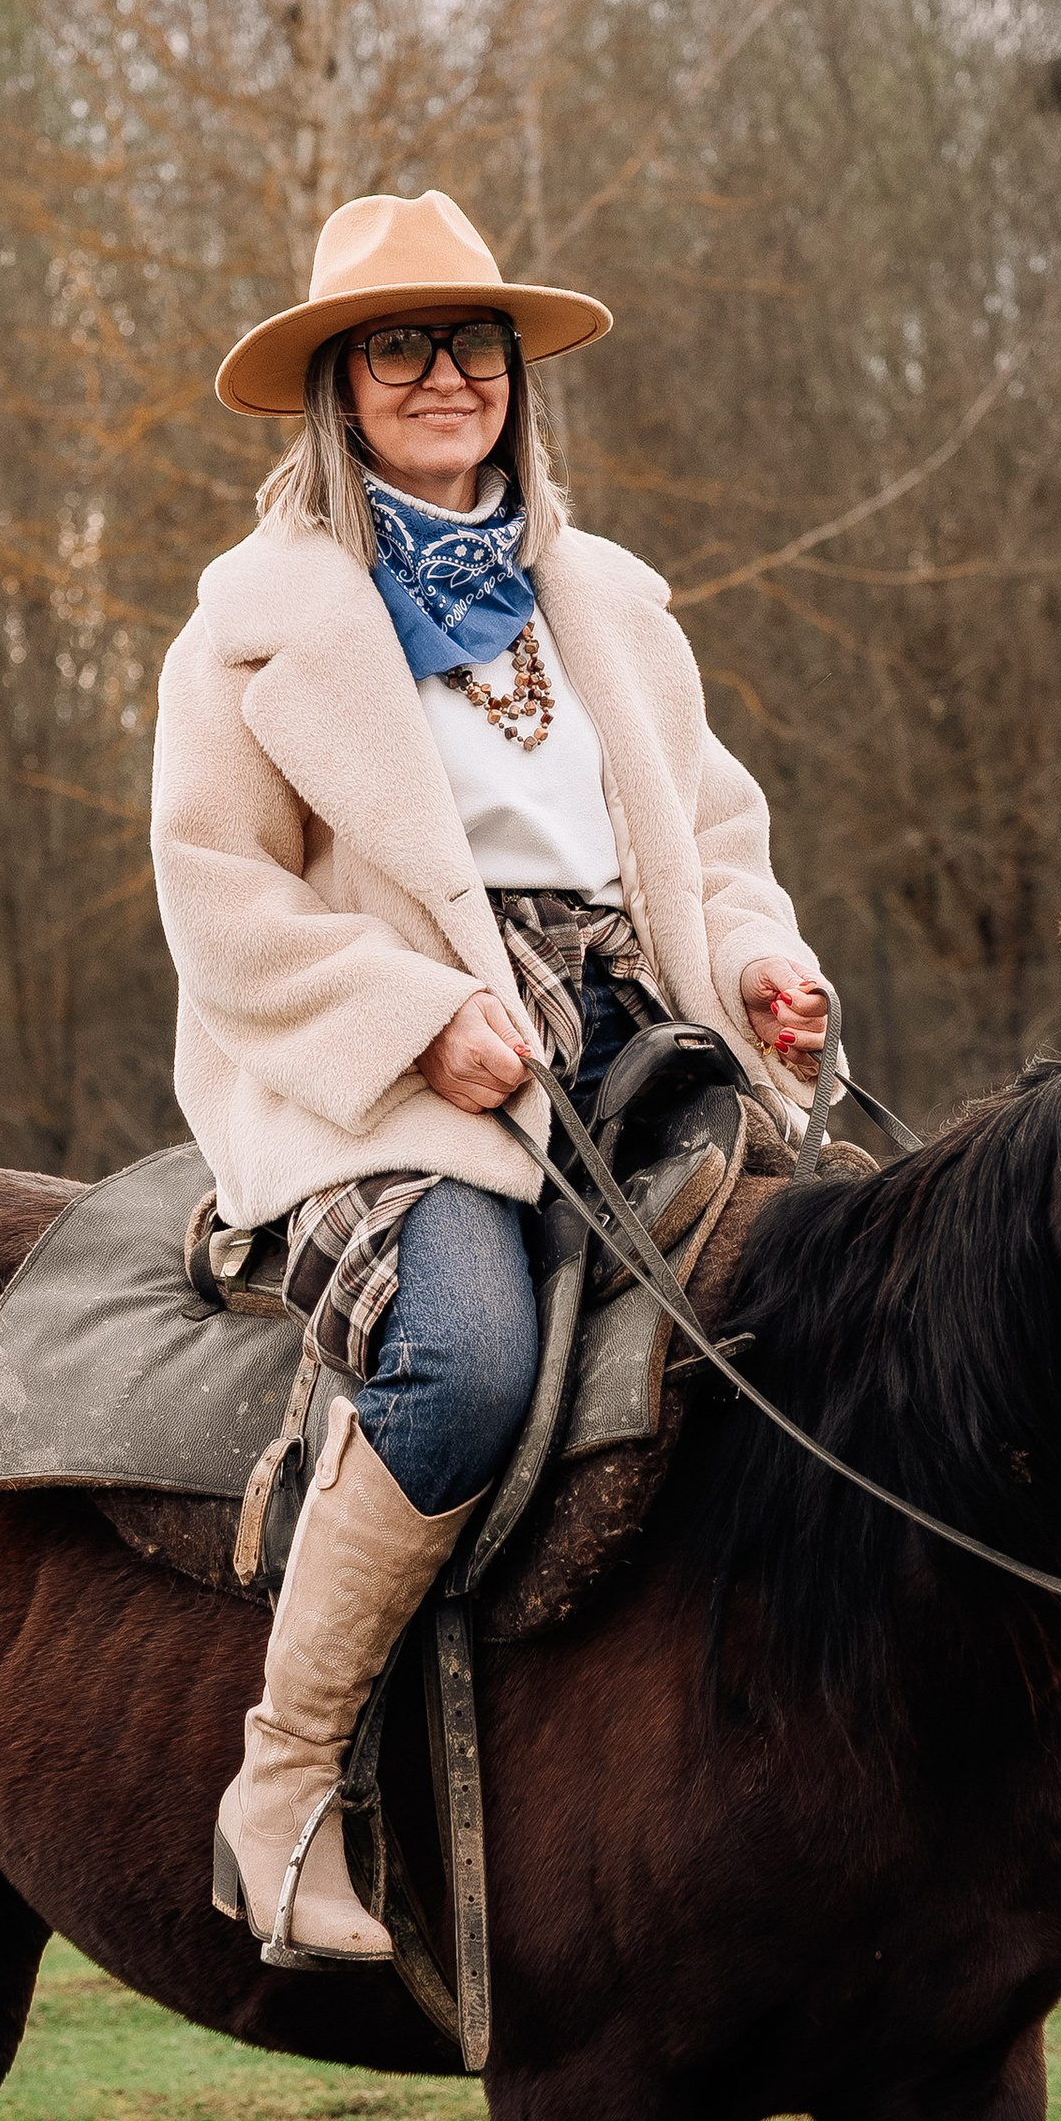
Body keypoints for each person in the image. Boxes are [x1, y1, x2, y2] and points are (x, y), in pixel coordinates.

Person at [151, 188, 830, 1965]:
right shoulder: (247, 631)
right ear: (342, 388)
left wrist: (764, 966)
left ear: (517, 377)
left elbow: (712, 835)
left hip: (631, 1036)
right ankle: (282, 1789)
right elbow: (219, 900)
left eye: (475, 345)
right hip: (392, 1072)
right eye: (400, 347)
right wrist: (410, 1017)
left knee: (861, 1308)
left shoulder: (602, 600)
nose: (445, 375)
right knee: (463, 1367)